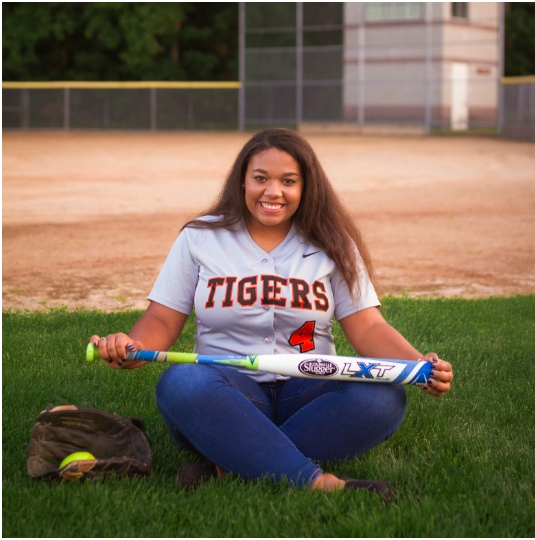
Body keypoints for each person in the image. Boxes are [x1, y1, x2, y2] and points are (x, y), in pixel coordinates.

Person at [91, 127, 454, 498]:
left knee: (384, 397)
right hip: (227, 392)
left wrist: (418, 366)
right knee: (182, 383)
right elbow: (163, 319)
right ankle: (314, 481)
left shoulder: (331, 241)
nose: (273, 192)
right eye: (260, 178)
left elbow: (367, 326)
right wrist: (131, 346)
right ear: (242, 181)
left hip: (311, 392)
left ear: (306, 187)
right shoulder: (200, 237)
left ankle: (230, 459)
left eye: (288, 181)